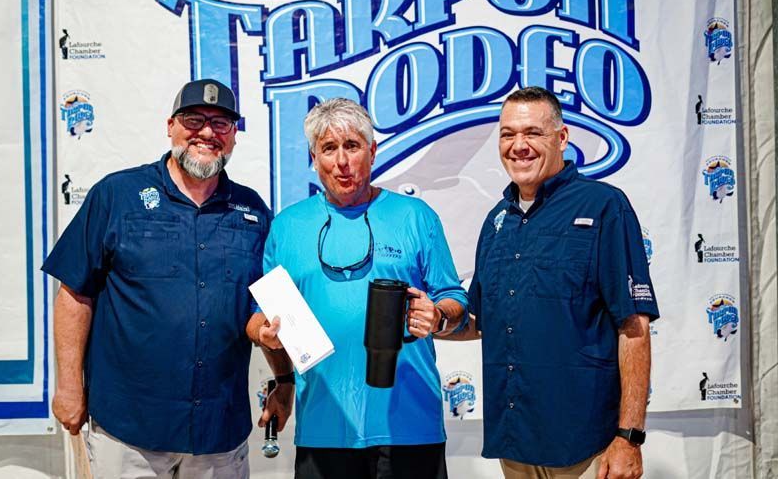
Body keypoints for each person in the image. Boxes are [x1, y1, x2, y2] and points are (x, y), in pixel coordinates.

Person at [43, 78, 293, 479]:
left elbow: (262, 310)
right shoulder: (116, 195)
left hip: (218, 433)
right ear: (171, 126)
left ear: (233, 137)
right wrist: (70, 387)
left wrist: (284, 379)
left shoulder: (252, 211)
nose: (208, 132)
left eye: (222, 124)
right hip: (129, 430)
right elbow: (74, 293)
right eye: (194, 120)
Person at [246, 98, 467, 479]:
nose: (341, 161)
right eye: (329, 148)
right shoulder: (287, 226)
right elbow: (259, 319)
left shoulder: (415, 217)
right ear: (314, 158)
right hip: (323, 427)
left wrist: (438, 317)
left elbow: (454, 298)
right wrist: (266, 337)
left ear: (372, 150)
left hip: (409, 427)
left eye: (352, 146)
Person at [457, 87, 659, 478]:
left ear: (562, 138)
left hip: (586, 448)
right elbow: (480, 322)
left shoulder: (604, 206)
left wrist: (629, 436)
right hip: (515, 444)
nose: (519, 146)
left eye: (533, 133)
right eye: (508, 134)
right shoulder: (496, 221)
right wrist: (429, 321)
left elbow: (634, 326)